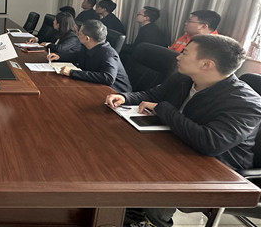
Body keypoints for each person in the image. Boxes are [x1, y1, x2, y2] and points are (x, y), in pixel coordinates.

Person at [106, 34, 261, 227]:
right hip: (179, 143)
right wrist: (125, 97)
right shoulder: (184, 78)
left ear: (206, 64)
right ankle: (125, 212)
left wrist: (163, 109)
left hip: (217, 168)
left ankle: (152, 221)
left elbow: (210, 143)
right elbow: (153, 95)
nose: (178, 56)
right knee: (118, 154)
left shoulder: (246, 103)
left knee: (153, 179)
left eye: (185, 53)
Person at [55, 19, 132, 92]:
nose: (77, 35)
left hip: (115, 92)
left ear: (87, 38)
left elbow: (108, 78)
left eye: (79, 34)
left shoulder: (108, 54)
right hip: (94, 86)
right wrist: (59, 56)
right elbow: (77, 56)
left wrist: (72, 72)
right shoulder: (87, 47)